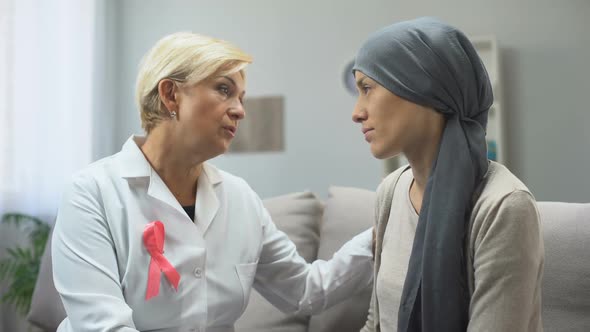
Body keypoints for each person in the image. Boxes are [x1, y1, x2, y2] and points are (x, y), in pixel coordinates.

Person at [51, 32, 374, 332]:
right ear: (170, 94)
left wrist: (384, 227)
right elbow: (102, 326)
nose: (240, 111)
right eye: (224, 89)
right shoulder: (92, 193)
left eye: (241, 97)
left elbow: (305, 292)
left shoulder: (240, 198)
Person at [351, 18, 544, 332]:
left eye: (367, 89)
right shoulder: (390, 190)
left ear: (423, 89)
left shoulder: (503, 207)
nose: (357, 112)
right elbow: (377, 323)